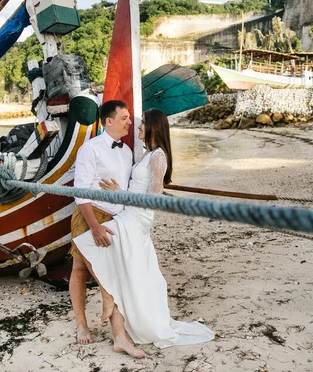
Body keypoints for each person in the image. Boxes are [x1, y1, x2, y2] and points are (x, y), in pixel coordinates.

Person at [74, 109, 214, 358]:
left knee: (93, 244)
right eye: (131, 121)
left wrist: (121, 196)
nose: (136, 126)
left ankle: (109, 298)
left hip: (137, 217)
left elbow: (154, 196)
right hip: (128, 213)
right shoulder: (143, 154)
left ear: (153, 128)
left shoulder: (157, 156)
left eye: (141, 124)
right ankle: (113, 306)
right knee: (116, 261)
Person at [69, 100, 133, 345]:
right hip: (90, 214)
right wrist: (94, 226)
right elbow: (81, 191)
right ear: (109, 121)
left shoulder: (126, 151)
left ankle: (113, 313)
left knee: (110, 268)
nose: (129, 122)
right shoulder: (91, 149)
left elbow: (125, 189)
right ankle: (82, 325)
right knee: (79, 269)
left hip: (115, 218)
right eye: (124, 117)